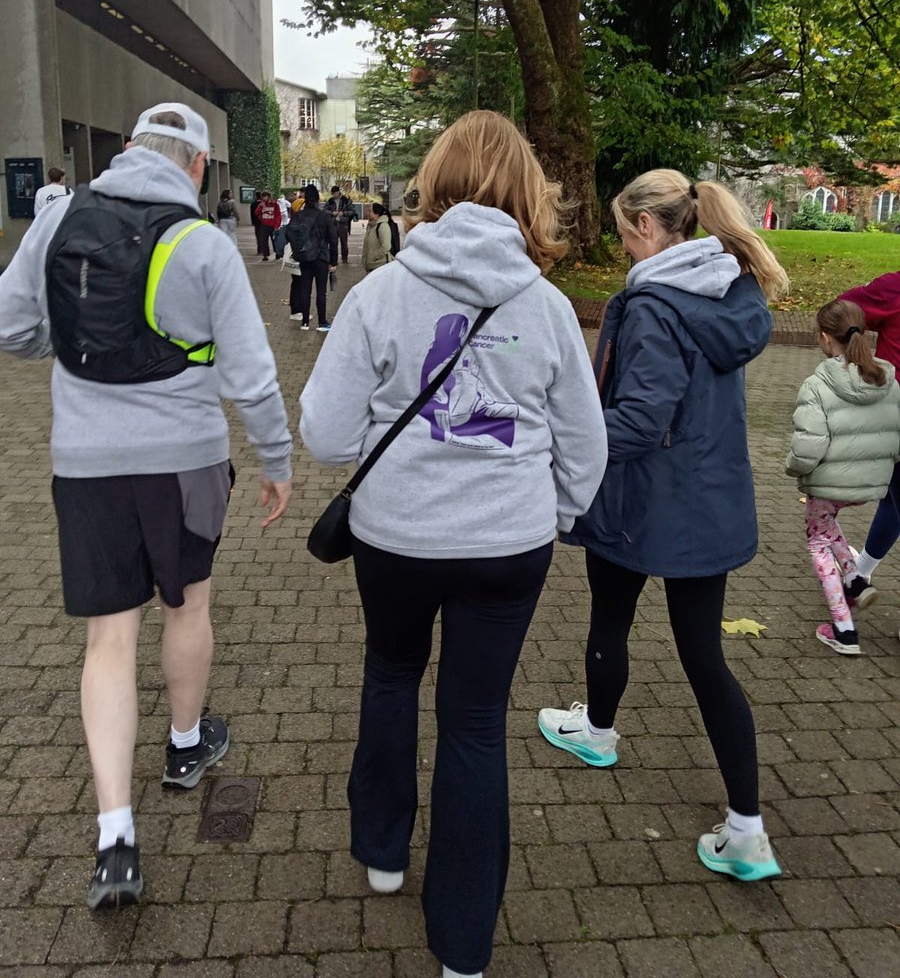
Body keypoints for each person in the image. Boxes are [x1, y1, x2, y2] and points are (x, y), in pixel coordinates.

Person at [300, 110, 606, 978]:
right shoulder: (547, 307)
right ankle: (464, 948)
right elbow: (586, 446)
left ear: (433, 184)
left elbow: (325, 435)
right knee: (475, 724)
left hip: (395, 538)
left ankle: (382, 850)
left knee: (392, 673)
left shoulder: (379, 295)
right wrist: (556, 516)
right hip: (509, 546)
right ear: (525, 194)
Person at [0, 103, 293, 909]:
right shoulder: (204, 243)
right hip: (185, 462)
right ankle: (185, 745)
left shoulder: (57, 218)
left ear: (127, 150)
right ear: (197, 167)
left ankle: (115, 837)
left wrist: (65, 346)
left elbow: (13, 328)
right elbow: (251, 375)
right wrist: (276, 461)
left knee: (108, 638)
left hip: (85, 462)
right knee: (187, 605)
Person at [539, 168, 789, 883]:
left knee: (611, 619)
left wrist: (561, 445)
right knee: (704, 656)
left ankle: (598, 733)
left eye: (624, 235)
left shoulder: (652, 305)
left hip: (638, 501)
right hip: (708, 504)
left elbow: (641, 421)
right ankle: (747, 829)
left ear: (648, 227)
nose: (623, 249)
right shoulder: (729, 293)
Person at [786, 298, 900, 655]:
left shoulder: (817, 385)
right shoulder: (888, 381)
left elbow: (808, 447)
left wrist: (794, 468)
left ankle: (843, 628)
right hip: (870, 484)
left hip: (828, 483)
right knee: (826, 524)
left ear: (824, 338)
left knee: (817, 542)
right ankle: (854, 579)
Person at [833, 270, 900, 606]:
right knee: (893, 498)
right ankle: (861, 572)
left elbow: (840, 312)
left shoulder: (894, 287)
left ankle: (859, 575)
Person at [285, 184, 337, 331]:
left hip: (304, 257)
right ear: (317, 199)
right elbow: (333, 240)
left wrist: (297, 249)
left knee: (305, 290)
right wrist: (333, 261)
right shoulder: (324, 216)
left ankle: (305, 322)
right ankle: (322, 322)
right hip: (321, 257)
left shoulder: (298, 216)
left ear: (305, 198)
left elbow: (289, 233)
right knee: (321, 291)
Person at [325, 184, 356, 263]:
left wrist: (343, 213)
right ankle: (333, 258)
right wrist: (332, 213)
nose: (334, 195)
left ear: (339, 192)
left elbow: (352, 211)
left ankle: (344, 258)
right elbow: (324, 210)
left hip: (343, 223)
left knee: (344, 242)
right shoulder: (330, 201)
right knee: (333, 242)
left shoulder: (346, 200)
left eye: (336, 193)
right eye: (333, 194)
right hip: (333, 223)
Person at [363, 202, 393, 272]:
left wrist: (374, 256)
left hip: (380, 265)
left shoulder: (383, 226)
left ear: (377, 214)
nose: (367, 213)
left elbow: (386, 246)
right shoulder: (371, 225)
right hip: (371, 265)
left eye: (370, 211)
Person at [254, 191, 281, 261]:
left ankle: (277, 253)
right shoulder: (262, 204)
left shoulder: (275, 204)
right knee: (264, 240)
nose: (264, 198)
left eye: (265, 197)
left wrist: (277, 225)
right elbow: (256, 213)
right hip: (264, 225)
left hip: (273, 225)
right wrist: (261, 207)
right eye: (263, 197)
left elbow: (278, 215)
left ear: (268, 197)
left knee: (275, 240)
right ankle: (265, 255)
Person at [275, 192, 292, 259]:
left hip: (280, 212)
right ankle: (284, 226)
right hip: (284, 212)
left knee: (281, 222)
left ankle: (281, 226)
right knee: (285, 222)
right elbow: (290, 205)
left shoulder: (277, 201)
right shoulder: (285, 201)